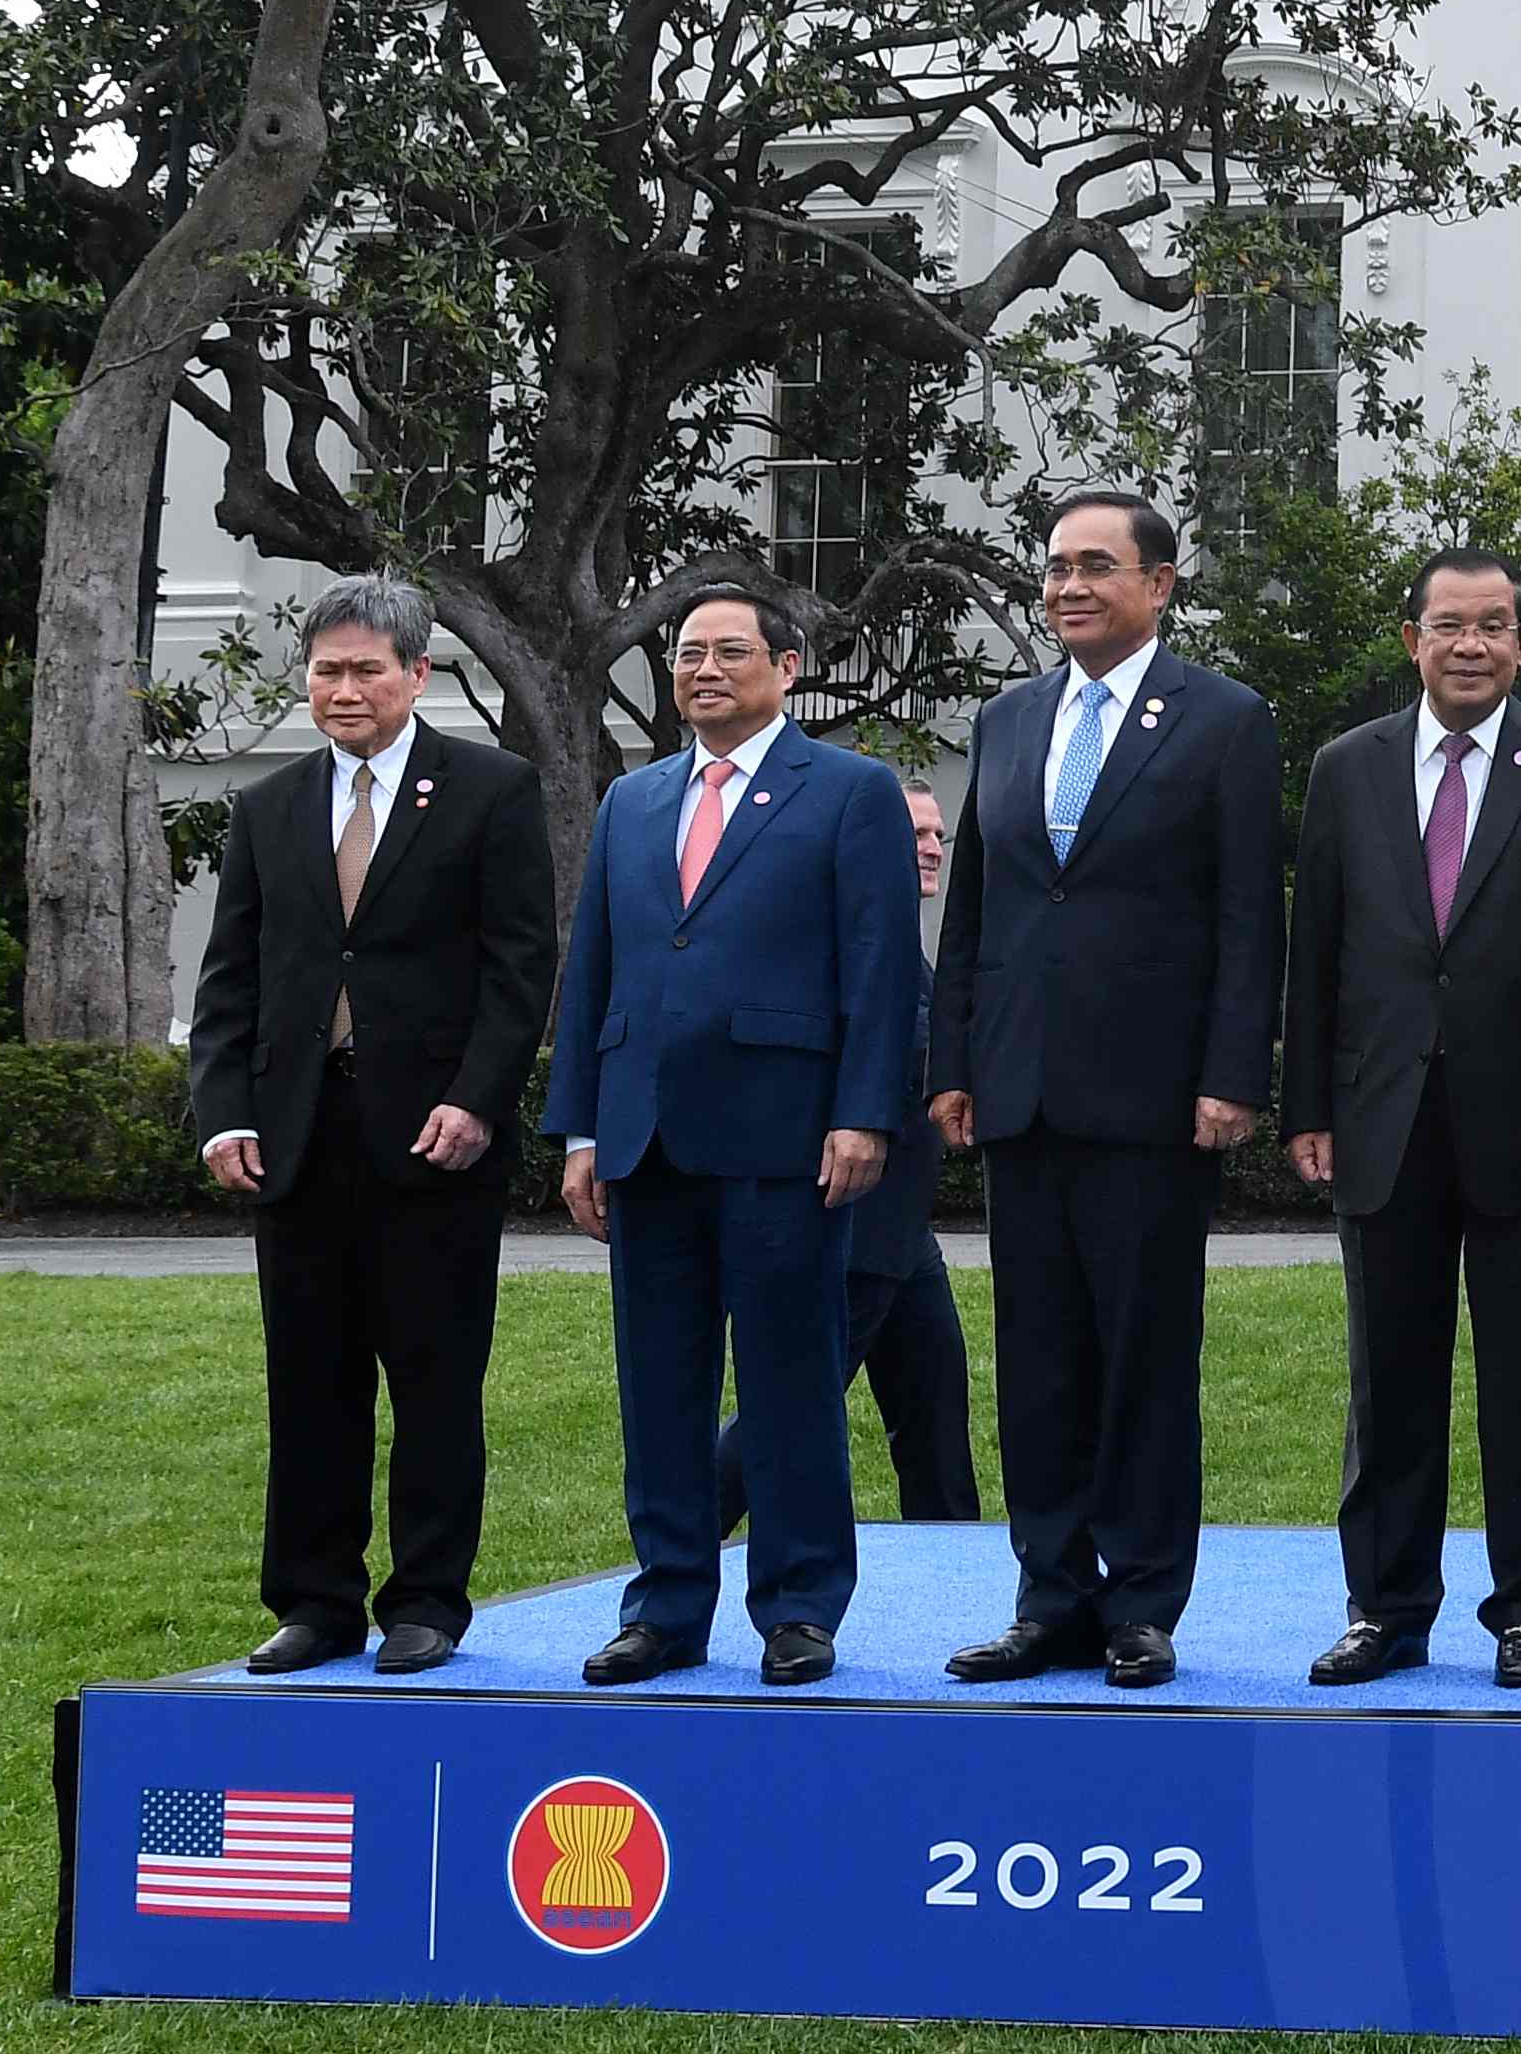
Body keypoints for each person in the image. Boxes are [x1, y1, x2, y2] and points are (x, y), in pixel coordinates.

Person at [929, 491, 1282, 1692]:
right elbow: (973, 906)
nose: (1069, 584)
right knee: (1037, 1363)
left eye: (1096, 564)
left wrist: (1235, 1074)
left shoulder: (1225, 720)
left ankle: (1139, 1601)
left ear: (1161, 584)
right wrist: (955, 1062)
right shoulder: (1009, 715)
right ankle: (1049, 1597)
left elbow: (1248, 913)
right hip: (1020, 1089)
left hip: (1152, 1098)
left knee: (1140, 1360)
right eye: (1055, 566)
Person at [543, 583, 925, 1685]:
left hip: (784, 1135)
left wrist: (863, 1112)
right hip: (645, 1139)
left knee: (788, 1381)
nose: (704, 667)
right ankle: (664, 1604)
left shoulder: (847, 791)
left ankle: (798, 1605)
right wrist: (578, 1127)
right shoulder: (634, 799)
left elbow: (881, 967)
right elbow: (595, 973)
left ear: (788, 666)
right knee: (657, 1384)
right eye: (687, 652)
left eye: (729, 649)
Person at [186, 577, 558, 1675]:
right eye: (326, 669)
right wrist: (224, 1113)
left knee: (436, 1376)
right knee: (310, 1378)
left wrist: (477, 1097)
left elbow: (519, 963)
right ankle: (315, 1600)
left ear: (416, 674)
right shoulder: (270, 804)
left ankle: (428, 1599)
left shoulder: (491, 789)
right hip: (300, 1135)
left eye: (365, 670)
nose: (342, 689)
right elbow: (232, 975)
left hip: (433, 1137)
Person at [1286, 547, 1521, 1688]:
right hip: (1382, 1116)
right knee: (1388, 1376)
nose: (1470, 643)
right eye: (1449, 624)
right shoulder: (1347, 766)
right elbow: (1316, 952)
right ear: (1411, 639)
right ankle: (1385, 1606)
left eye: (1492, 625)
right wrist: (1309, 1106)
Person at [717, 779, 979, 1532]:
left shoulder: (906, 945)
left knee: (935, 1426)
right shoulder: (848, 941)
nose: (928, 849)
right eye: (913, 834)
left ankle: (950, 1565)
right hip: (846, 1223)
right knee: (789, 1410)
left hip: (903, 1233)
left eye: (936, 836)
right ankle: (683, 1540)